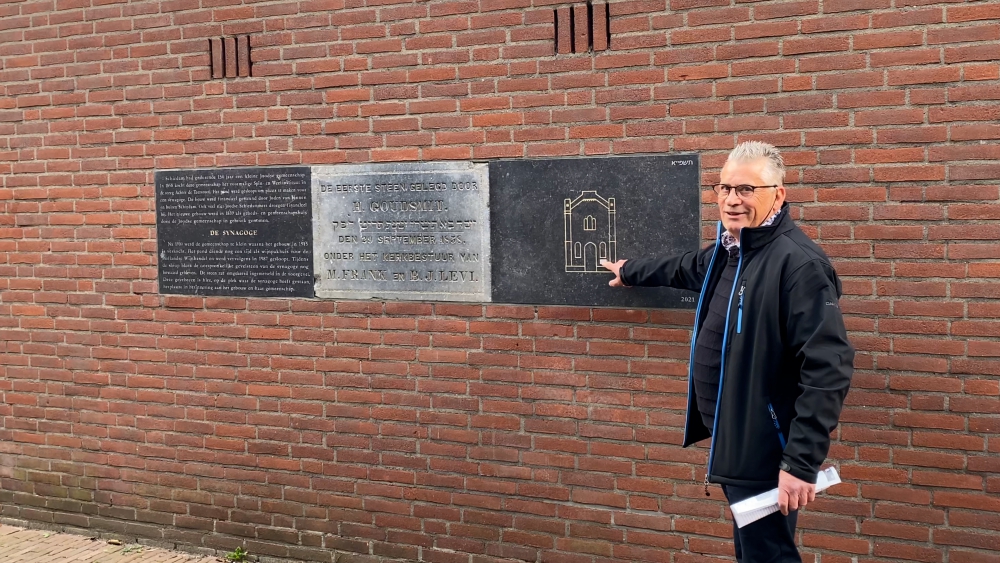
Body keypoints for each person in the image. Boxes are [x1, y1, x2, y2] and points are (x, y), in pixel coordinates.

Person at [601, 141, 854, 563]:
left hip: (765, 446)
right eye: (725, 188)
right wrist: (630, 272)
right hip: (733, 435)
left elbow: (829, 368)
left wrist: (800, 464)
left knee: (768, 554)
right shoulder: (732, 251)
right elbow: (684, 268)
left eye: (747, 189)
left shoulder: (798, 265)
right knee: (753, 550)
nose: (733, 199)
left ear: (779, 194)